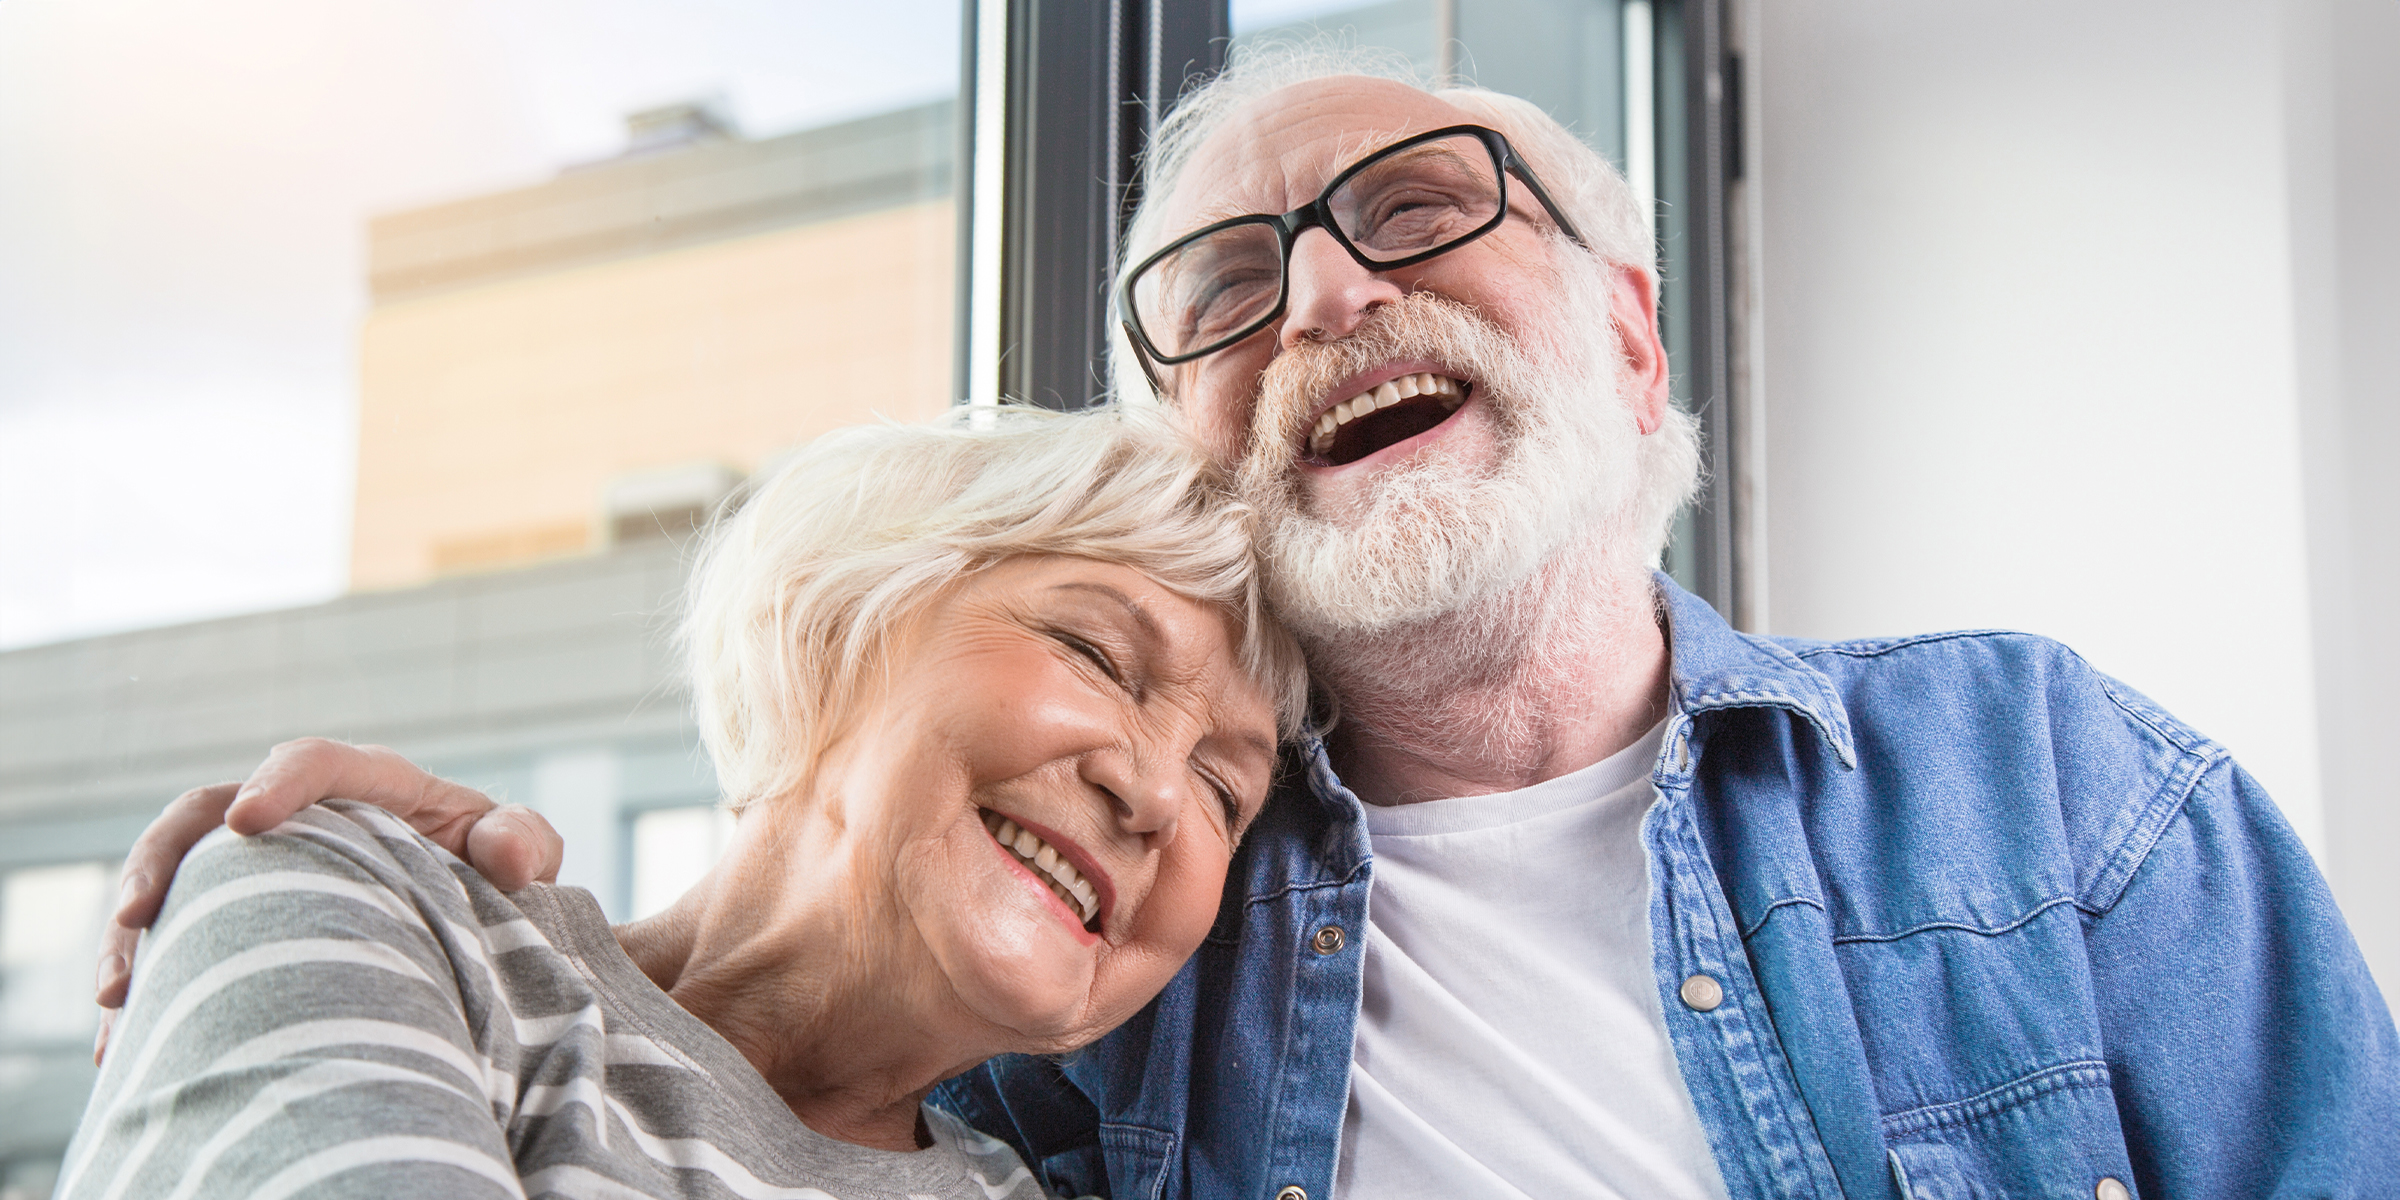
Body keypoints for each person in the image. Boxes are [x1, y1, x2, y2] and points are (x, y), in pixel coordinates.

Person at [101, 42, 2399, 1200]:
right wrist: (396, 876)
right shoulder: (1083, 1023)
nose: (1324, 287)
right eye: (1224, 282)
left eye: (1417, 208)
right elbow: (762, 996)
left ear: (1626, 333)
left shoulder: (2044, 785)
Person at [63, 407, 1307, 1199]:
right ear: (832, 630)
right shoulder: (363, 901)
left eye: (1221, 787)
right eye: (1094, 655)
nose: (1151, 790)